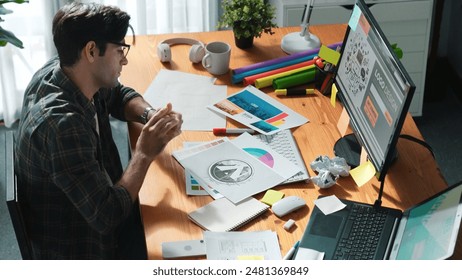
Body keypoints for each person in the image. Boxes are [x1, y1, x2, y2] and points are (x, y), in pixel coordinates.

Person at [14, 2, 183, 259]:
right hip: (84, 246)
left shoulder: (65, 70)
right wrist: (144, 153)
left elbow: (117, 94)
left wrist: (151, 116)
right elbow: (108, 216)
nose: (125, 59)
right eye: (119, 50)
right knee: (184, 239)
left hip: (93, 206)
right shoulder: (61, 126)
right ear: (91, 51)